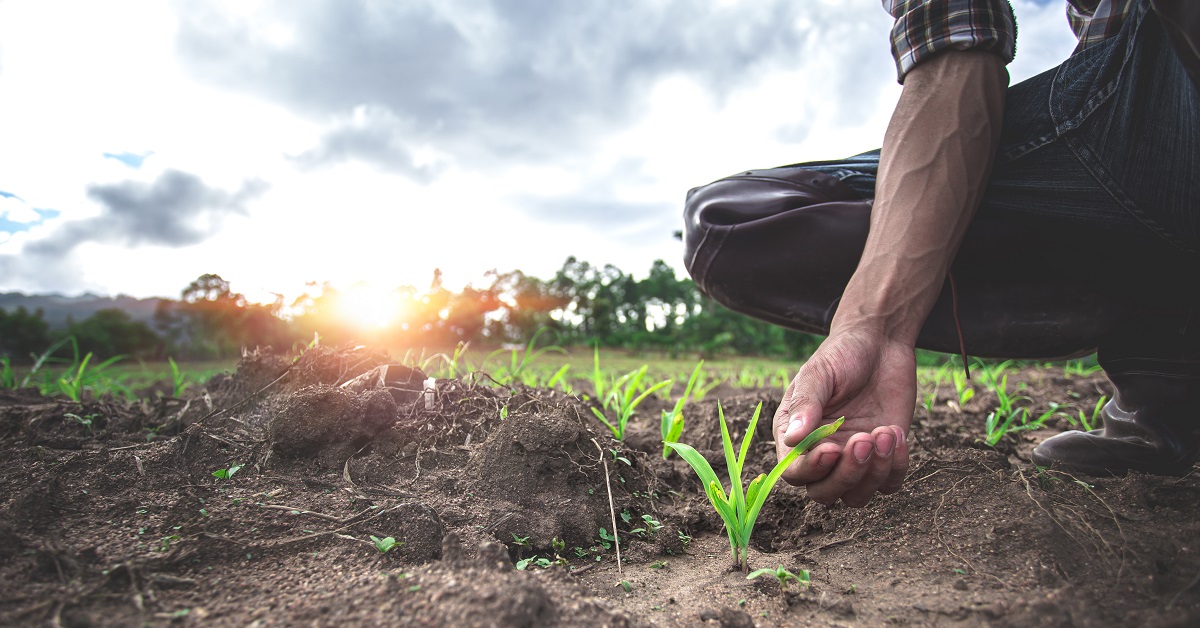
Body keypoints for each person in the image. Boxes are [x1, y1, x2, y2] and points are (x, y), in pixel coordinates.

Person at [682, 0, 1199, 508]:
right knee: (728, 225)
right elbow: (956, 47)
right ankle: (1164, 361)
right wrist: (874, 328)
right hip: (1128, 136)